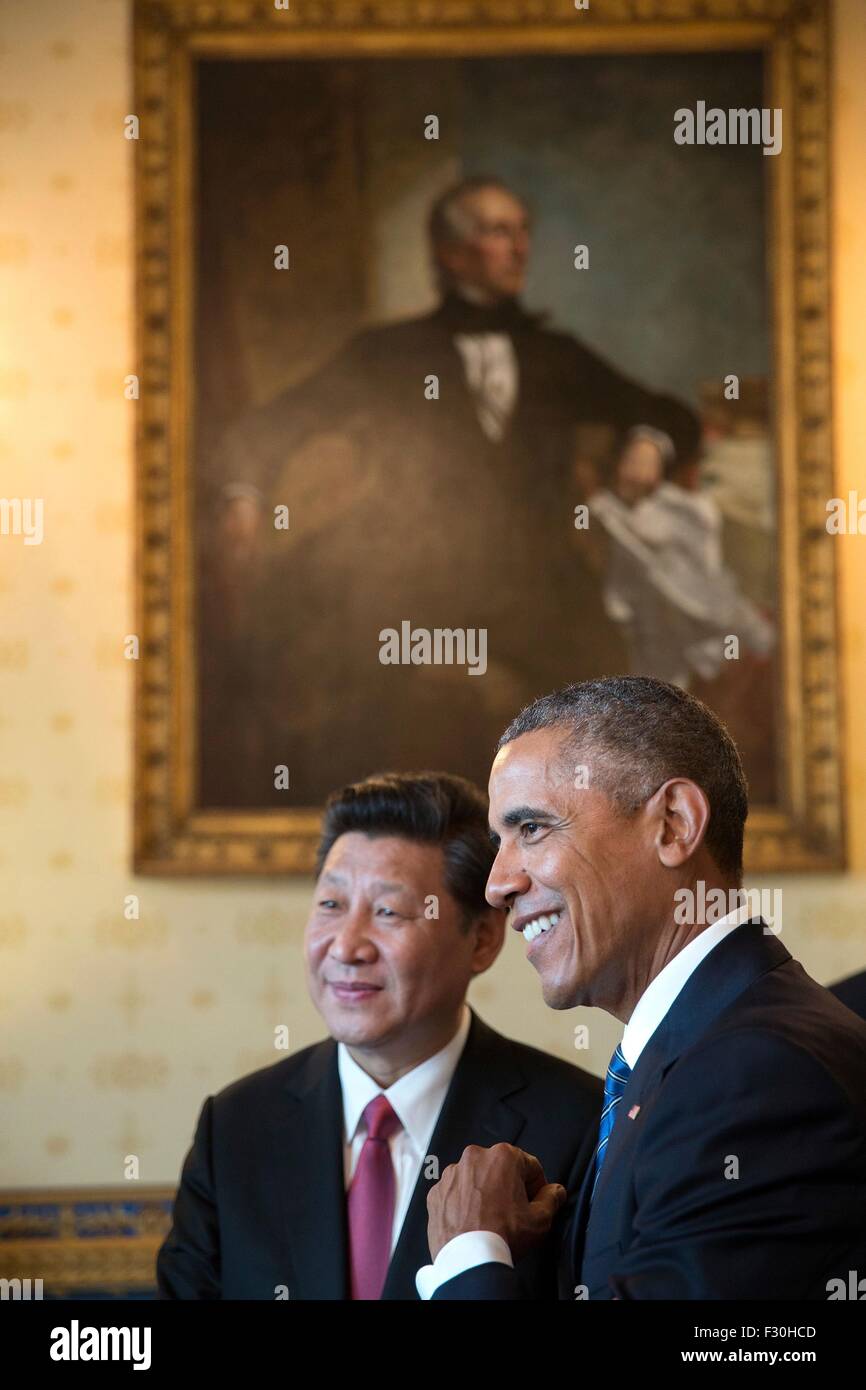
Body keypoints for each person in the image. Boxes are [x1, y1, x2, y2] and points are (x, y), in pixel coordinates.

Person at [200, 178, 702, 805]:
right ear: (450, 253)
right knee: (332, 693)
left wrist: (649, 440)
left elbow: (666, 410)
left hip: (535, 580)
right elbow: (271, 426)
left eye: (522, 231)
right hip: (416, 579)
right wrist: (244, 493)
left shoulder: (555, 355)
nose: (519, 248)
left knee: (610, 713)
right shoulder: (389, 353)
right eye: (497, 232)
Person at [417, 677, 866, 1300]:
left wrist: (471, 1255)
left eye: (532, 830)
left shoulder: (757, 1072)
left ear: (675, 825)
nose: (497, 884)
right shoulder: (693, 1052)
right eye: (499, 842)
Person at [156, 772, 601, 1300]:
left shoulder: (577, 1125)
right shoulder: (235, 1127)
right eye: (330, 905)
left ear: (482, 940)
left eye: (389, 912)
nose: (346, 946)